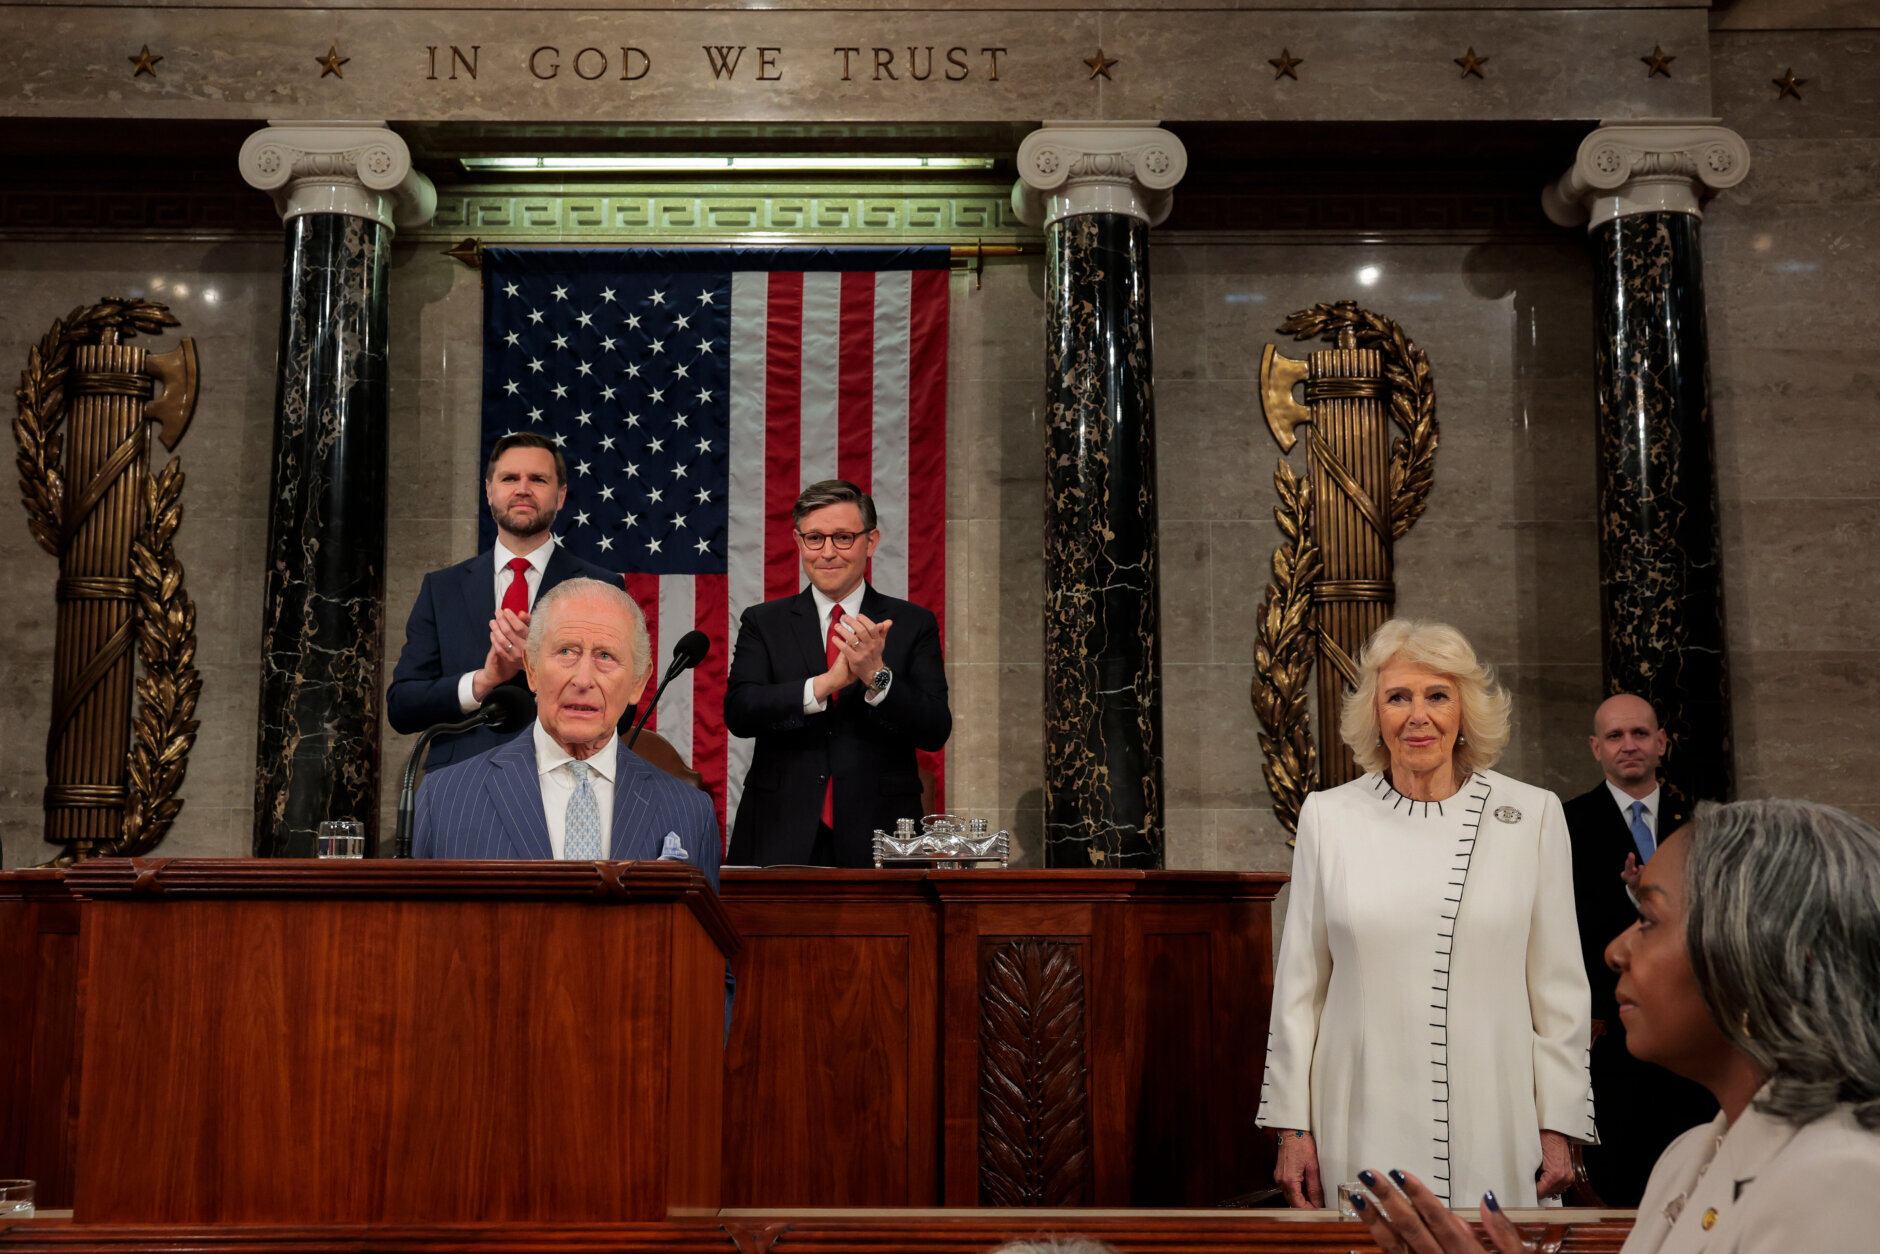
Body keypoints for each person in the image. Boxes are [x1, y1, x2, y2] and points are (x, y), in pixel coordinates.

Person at [1346, 799, 1880, 1253]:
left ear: (1771, 954)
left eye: (1648, 920)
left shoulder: (1844, 1179)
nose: (1615, 950)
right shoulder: (1690, 1155)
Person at [1258, 619, 1595, 1211]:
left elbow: (1559, 992)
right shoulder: (1328, 817)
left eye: (1437, 695)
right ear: (1375, 713)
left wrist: (1560, 1123)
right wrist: (1291, 1127)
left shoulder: (1533, 814)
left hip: (1497, 1114)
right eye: (1398, 697)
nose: (1419, 716)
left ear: (1465, 710)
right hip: (1358, 1111)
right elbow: (1299, 989)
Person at [412, 578, 720, 889]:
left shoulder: (690, 812)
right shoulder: (445, 799)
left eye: (605, 656)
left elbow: (697, 936)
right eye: (566, 652)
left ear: (638, 682)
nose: (583, 679)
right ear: (531, 669)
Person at [723, 479, 951, 868]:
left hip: (881, 834)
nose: (827, 552)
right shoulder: (764, 622)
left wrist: (877, 676)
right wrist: (825, 685)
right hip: (778, 829)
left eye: (843, 537)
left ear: (871, 542)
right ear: (798, 542)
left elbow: (934, 730)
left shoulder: (913, 623)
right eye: (814, 538)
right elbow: (740, 712)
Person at [388, 433, 620, 770]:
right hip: (461, 788)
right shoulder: (442, 589)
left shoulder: (601, 587)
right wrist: (484, 681)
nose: (523, 489)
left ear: (561, 495)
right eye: (510, 478)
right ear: (489, 491)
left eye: (538, 479)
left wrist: (539, 667)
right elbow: (401, 707)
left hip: (564, 777)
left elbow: (623, 712)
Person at [1565, 694, 1716, 1205]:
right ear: (1595, 748)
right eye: (1614, 736)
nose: (1628, 746)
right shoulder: (1565, 825)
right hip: (1609, 1038)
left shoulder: (1705, 821)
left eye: (1639, 734)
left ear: (1661, 743)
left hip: (1694, 1031)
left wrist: (1652, 894)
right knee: (1621, 1189)